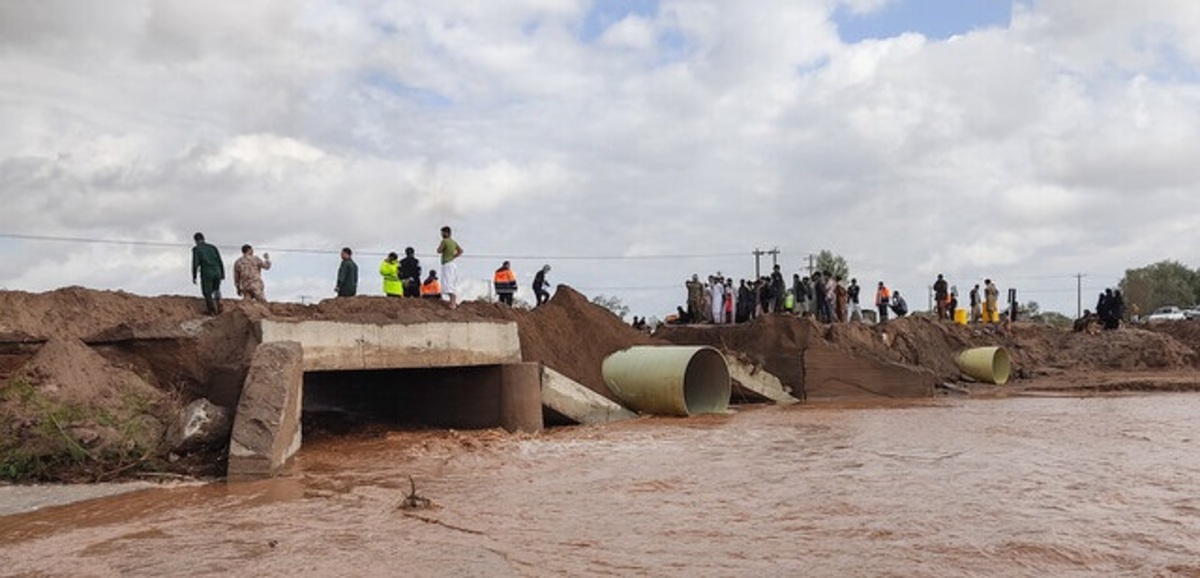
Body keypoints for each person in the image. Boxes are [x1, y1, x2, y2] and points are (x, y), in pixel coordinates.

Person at [191, 232, 225, 316]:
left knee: (207, 292)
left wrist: (194, 276)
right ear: (203, 238)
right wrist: (222, 273)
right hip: (217, 271)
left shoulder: (197, 249)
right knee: (216, 289)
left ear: (195, 240)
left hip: (207, 272)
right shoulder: (213, 247)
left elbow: (195, 263)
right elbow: (220, 260)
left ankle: (212, 311)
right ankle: (219, 303)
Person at [436, 226, 463, 309]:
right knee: (450, 282)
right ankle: (452, 302)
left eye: (442, 232)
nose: (441, 234)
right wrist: (453, 256)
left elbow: (438, 251)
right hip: (452, 263)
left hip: (447, 265)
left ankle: (453, 303)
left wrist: (443, 248)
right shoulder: (453, 242)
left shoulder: (444, 241)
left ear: (446, 233)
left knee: (447, 283)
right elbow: (461, 251)